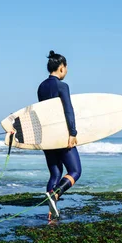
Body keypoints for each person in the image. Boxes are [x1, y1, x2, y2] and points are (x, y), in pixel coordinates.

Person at [37, 50, 82, 220]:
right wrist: (72, 133)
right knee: (75, 171)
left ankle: (51, 212)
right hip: (61, 136)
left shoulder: (41, 87)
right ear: (61, 67)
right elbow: (68, 110)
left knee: (55, 174)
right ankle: (55, 194)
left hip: (47, 138)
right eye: (66, 67)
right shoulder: (63, 86)